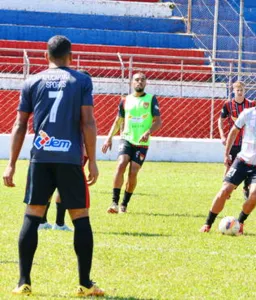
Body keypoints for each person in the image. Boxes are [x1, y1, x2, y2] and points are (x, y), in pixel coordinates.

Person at [2, 35, 104, 296]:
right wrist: (92, 160)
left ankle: (23, 282)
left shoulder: (31, 81)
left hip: (41, 158)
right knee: (80, 217)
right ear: (71, 56)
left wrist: (11, 164)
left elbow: (19, 125)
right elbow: (88, 122)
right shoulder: (81, 80)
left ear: (45, 56)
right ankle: (84, 283)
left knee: (33, 214)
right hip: (69, 159)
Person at [200, 83, 256, 234]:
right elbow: (233, 132)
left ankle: (239, 222)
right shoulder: (247, 113)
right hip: (242, 161)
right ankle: (208, 223)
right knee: (225, 191)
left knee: (255, 194)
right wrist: (226, 154)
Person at [38, 70, 92, 232]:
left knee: (51, 184)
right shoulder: (80, 100)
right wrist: (87, 150)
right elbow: (86, 125)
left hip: (52, 145)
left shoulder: (64, 96)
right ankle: (59, 223)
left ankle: (45, 221)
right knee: (65, 185)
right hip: (70, 148)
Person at [102, 72, 162, 214]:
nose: (139, 82)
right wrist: (109, 137)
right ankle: (114, 202)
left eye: (142, 80)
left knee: (133, 172)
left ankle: (124, 203)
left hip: (142, 142)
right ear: (132, 83)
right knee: (121, 163)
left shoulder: (151, 99)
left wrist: (148, 132)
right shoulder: (125, 100)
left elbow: (158, 122)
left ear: (145, 83)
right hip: (127, 138)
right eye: (136, 80)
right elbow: (118, 121)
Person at [218, 81, 256, 199]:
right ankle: (226, 189)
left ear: (245, 91)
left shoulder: (252, 104)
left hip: (248, 142)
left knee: (250, 166)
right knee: (229, 165)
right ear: (233, 91)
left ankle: (246, 188)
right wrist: (222, 135)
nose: (239, 92)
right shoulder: (228, 105)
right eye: (237, 90)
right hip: (233, 141)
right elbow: (220, 120)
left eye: (242, 90)